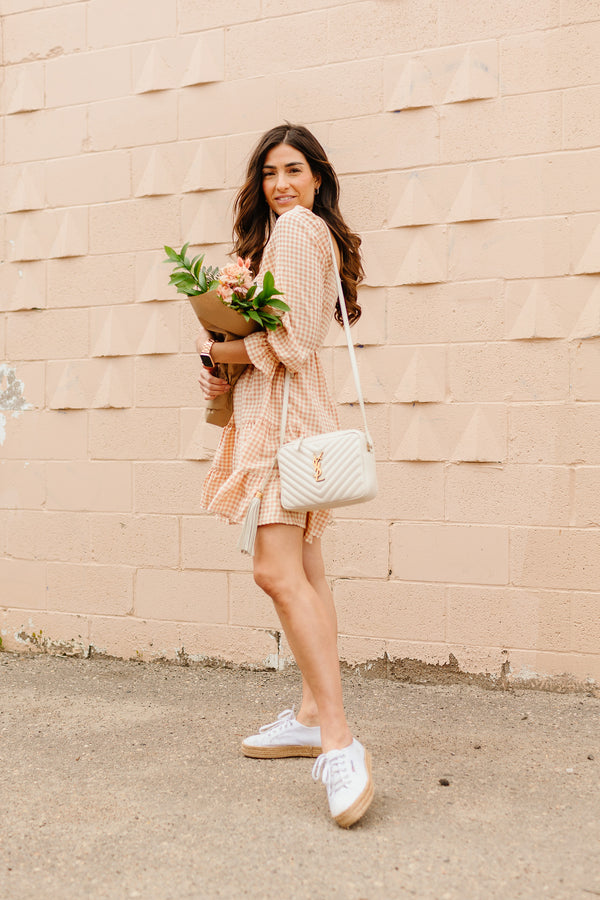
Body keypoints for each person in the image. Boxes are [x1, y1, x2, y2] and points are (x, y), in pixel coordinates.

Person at [196, 123, 373, 828]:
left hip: (288, 422)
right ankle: (308, 713)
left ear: (318, 178)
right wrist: (223, 359)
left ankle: (339, 740)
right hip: (285, 413)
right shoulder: (281, 236)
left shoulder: (298, 231)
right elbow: (282, 336)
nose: (281, 185)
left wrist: (224, 345)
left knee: (275, 572)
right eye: (269, 172)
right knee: (304, 568)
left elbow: (296, 342)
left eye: (294, 169)